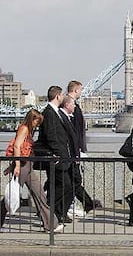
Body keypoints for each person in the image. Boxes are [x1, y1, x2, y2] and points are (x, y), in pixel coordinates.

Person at [0, 109, 64, 232]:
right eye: (37, 121)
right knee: (10, 197)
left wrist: (13, 166)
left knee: (39, 194)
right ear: (32, 119)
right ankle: (51, 225)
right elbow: (17, 146)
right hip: (23, 165)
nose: (38, 124)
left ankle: (51, 225)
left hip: (27, 165)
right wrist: (17, 165)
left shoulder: (27, 130)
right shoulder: (24, 129)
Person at [37, 85, 74, 224]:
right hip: (57, 158)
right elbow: (51, 136)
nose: (64, 96)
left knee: (59, 186)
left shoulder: (56, 112)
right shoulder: (49, 113)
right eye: (63, 94)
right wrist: (58, 154)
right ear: (58, 96)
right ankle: (48, 213)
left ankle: (52, 215)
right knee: (64, 185)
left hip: (62, 156)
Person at [59, 96, 100, 216]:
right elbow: (70, 139)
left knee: (73, 182)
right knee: (72, 183)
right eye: (73, 104)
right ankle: (57, 211)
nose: (75, 106)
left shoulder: (68, 116)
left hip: (73, 156)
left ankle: (60, 210)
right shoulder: (63, 117)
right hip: (69, 157)